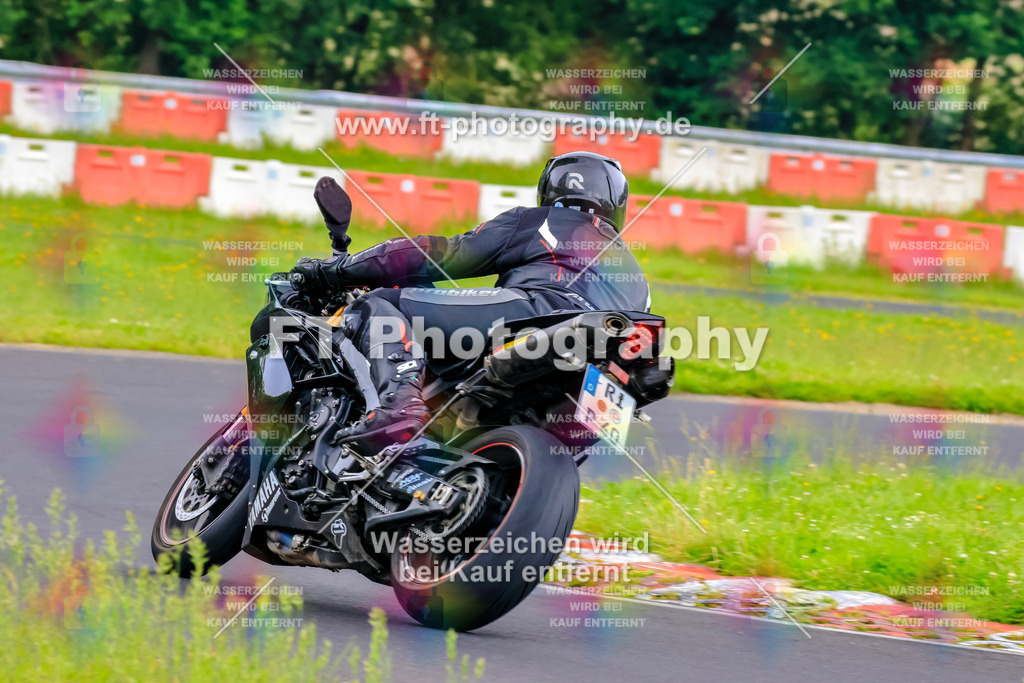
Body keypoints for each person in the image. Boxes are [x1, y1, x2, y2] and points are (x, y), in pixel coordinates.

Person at [290, 151, 651, 456]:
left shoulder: (540, 220)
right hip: (605, 365)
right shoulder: (638, 276)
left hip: (540, 313)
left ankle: (399, 406)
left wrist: (335, 271)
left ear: (550, 190)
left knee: (380, 304)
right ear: (615, 202)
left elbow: (437, 256)